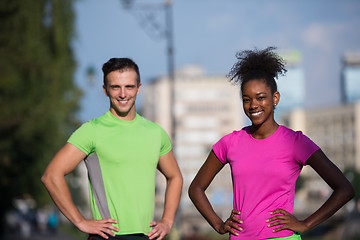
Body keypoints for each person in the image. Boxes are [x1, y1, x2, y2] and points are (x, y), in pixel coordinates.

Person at [188, 47, 354, 240]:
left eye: (260, 97)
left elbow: (344, 189)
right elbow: (196, 188)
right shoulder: (230, 143)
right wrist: (218, 224)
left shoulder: (295, 142)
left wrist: (305, 224)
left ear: (275, 98)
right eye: (246, 99)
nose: (253, 105)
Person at [41, 58, 183, 240]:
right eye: (116, 87)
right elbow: (51, 176)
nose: (123, 94)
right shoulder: (91, 131)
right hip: (107, 236)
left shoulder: (155, 133)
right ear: (105, 90)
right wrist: (80, 221)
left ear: (139, 88)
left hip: (146, 236)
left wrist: (167, 221)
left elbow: (175, 177)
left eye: (129, 87)